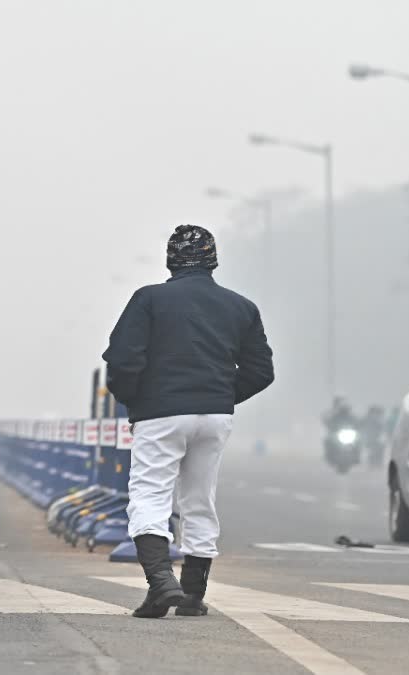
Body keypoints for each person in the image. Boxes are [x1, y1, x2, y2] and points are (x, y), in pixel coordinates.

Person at [103, 224, 274, 618]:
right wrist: (221, 396)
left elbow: (123, 361)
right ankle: (193, 594)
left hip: (160, 413)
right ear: (213, 259)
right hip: (215, 416)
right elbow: (261, 371)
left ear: (171, 259)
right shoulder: (241, 307)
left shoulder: (149, 300)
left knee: (150, 494)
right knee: (200, 497)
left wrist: (137, 400)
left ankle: (162, 584)